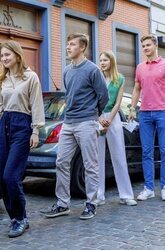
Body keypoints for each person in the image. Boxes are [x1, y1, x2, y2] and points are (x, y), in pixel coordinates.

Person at [44, 33, 109, 220]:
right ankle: (63, 203)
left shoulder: (93, 70)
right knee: (61, 162)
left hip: (87, 122)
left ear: (82, 48)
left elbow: (103, 95)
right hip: (68, 122)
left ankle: (91, 203)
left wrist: (93, 113)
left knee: (90, 165)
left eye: (72, 44)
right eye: (67, 44)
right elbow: (69, 95)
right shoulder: (66, 71)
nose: (68, 47)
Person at [0, 40, 45, 237]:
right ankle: (14, 218)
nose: (4, 59)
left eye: (7, 55)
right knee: (1, 177)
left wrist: (36, 131)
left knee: (11, 176)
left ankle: (21, 218)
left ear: (17, 55)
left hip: (22, 126)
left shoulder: (31, 77)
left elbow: (36, 105)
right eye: (2, 56)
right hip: (4, 124)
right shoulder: (3, 78)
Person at [128, 34, 165, 201]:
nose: (145, 48)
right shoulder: (140, 67)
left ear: (155, 45)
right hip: (144, 113)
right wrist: (131, 108)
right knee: (147, 152)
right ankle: (149, 188)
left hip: (164, 112)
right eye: (143, 46)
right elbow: (136, 89)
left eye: (148, 45)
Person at [96, 51, 137, 206]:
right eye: (100, 60)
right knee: (97, 158)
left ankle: (126, 195)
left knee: (119, 156)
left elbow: (118, 102)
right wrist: (100, 118)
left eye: (105, 60)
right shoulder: (96, 78)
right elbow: (93, 100)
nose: (102, 63)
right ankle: (99, 195)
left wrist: (109, 119)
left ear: (111, 61)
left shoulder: (119, 79)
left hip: (113, 118)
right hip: (98, 117)